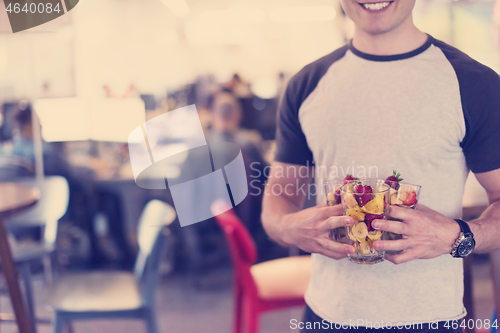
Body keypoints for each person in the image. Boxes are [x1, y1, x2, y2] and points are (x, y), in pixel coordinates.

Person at [262, 1, 500, 332]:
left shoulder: (474, 84)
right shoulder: (306, 85)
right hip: (326, 316)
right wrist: (289, 228)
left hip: (431, 320)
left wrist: (457, 236)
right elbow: (278, 200)